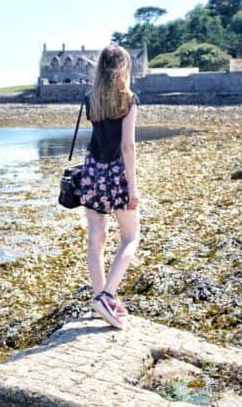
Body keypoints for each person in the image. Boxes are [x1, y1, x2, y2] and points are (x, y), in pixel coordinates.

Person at [81, 45, 141, 328]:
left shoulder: (90, 99)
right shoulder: (128, 100)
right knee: (131, 237)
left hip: (92, 171)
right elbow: (127, 146)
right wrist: (133, 188)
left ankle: (98, 303)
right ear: (123, 68)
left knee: (96, 238)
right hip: (116, 172)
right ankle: (106, 296)